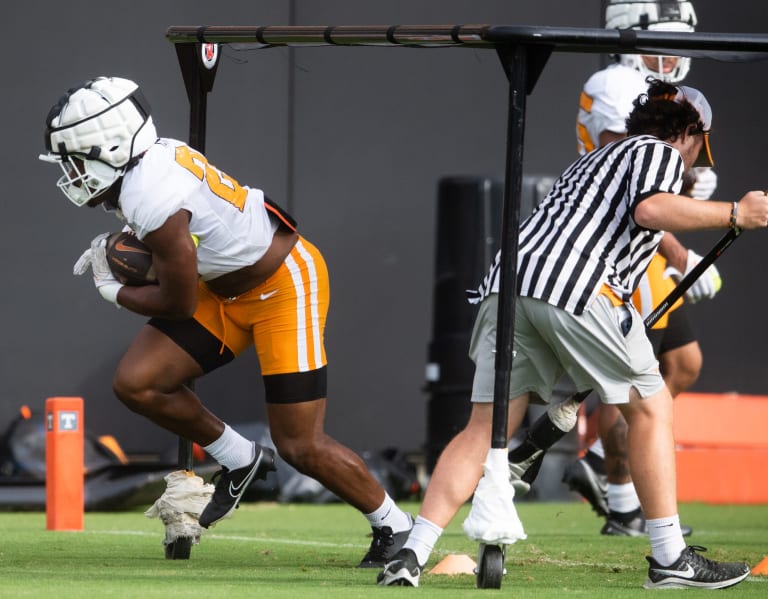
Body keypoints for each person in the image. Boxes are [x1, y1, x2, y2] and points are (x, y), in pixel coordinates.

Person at [379, 78, 762, 589]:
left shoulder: (594, 160)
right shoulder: (657, 153)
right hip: (578, 288)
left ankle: (411, 553)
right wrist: (736, 214)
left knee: (483, 428)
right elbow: (650, 209)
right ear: (689, 133)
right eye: (698, 147)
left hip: (510, 286)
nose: (694, 159)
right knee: (651, 406)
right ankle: (671, 557)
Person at [39, 76, 412, 568]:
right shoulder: (147, 168)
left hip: (282, 285)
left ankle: (394, 525)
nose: (72, 173)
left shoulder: (153, 194)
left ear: (109, 144)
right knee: (138, 383)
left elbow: (175, 302)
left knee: (301, 444)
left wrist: (116, 291)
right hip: (224, 287)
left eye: (75, 159)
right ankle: (241, 458)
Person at [564, 0, 719, 537]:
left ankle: (610, 467)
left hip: (645, 242)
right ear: (627, 37)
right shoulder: (614, 83)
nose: (671, 54)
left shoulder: (658, 92)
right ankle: (624, 498)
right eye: (660, 41)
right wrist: (681, 251)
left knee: (681, 363)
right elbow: (629, 186)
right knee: (632, 378)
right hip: (625, 246)